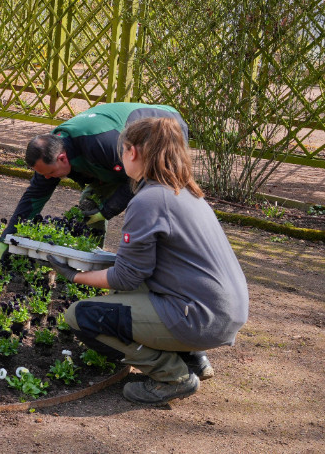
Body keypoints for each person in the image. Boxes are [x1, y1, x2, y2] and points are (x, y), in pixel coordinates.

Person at [48, 117, 249, 405]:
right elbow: (143, 267)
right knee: (123, 297)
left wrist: (73, 275)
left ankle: (172, 376)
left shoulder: (147, 200)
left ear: (133, 152)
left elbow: (126, 277)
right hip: (223, 310)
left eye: (123, 150)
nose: (121, 157)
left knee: (81, 316)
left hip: (200, 317)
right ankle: (193, 358)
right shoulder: (186, 191)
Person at [0, 102, 188, 260]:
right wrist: (7, 239)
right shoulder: (50, 151)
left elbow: (139, 179)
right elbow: (34, 195)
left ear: (62, 159)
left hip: (165, 128)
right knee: (89, 203)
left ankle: (166, 260)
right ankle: (91, 258)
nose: (46, 178)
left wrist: (107, 211)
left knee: (155, 199)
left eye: (49, 173)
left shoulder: (105, 144)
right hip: (114, 160)